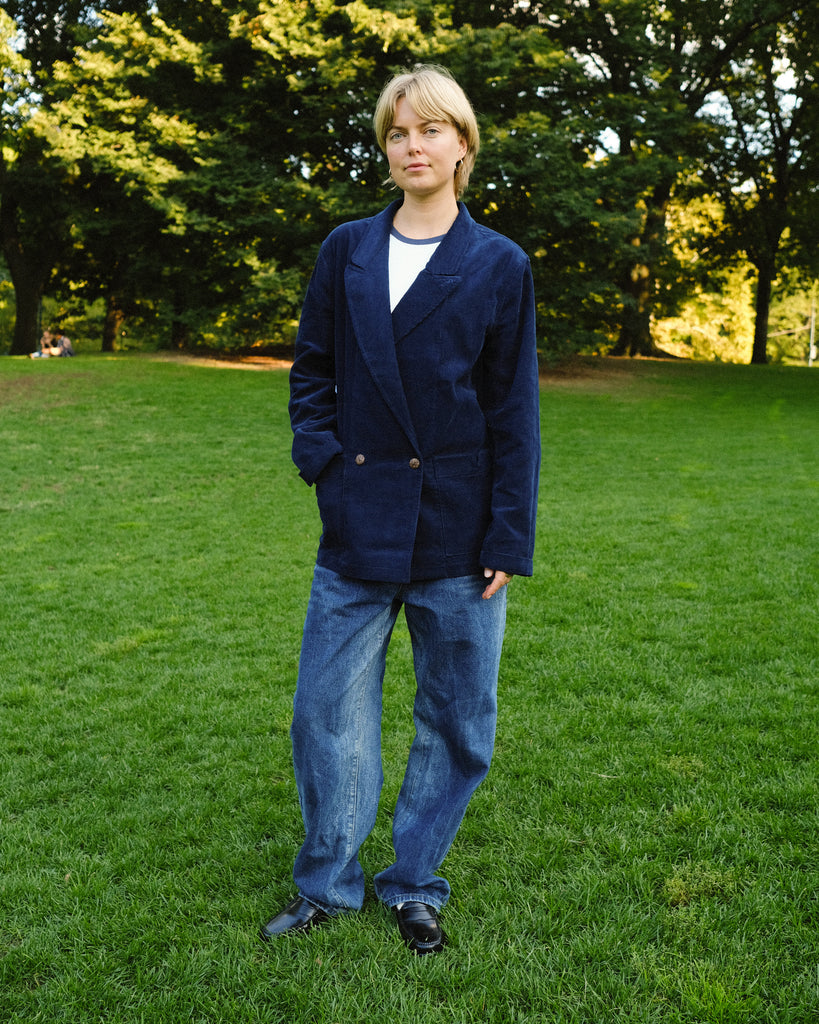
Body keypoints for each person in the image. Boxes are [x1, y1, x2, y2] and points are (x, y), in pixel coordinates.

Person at [260, 65, 540, 954]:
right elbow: (312, 369)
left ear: (462, 144)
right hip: (357, 521)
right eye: (395, 133)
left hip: (461, 530)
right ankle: (326, 883)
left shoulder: (499, 264)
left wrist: (508, 532)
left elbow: (512, 411)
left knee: (455, 720)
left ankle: (414, 881)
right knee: (324, 713)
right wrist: (324, 464)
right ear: (384, 148)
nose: (411, 147)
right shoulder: (346, 247)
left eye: (428, 131)